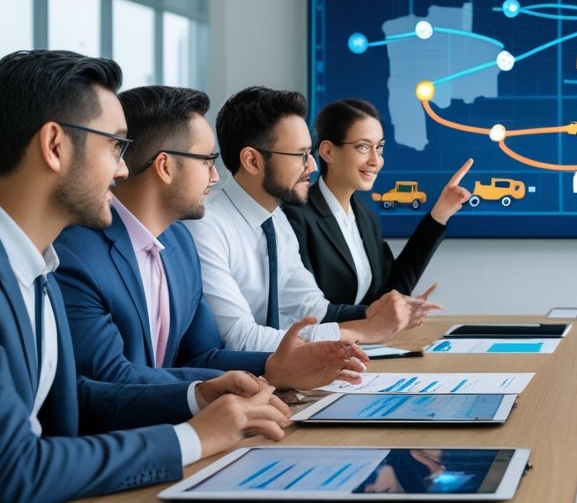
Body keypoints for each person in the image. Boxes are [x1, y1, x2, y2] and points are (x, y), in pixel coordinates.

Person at [0, 50, 289, 503]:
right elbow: (16, 473)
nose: (121, 170)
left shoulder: (36, 267)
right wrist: (190, 440)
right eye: (115, 146)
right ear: (54, 145)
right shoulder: (44, 265)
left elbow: (77, 398)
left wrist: (198, 397)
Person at [54, 85, 369, 389]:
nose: (216, 176)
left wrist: (274, 369)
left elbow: (202, 354)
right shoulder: (77, 255)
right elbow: (108, 380)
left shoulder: (178, 243)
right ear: (165, 166)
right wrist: (202, 395)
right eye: (207, 161)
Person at [184, 86, 440, 352]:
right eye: (300, 155)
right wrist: (361, 331)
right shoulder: (205, 226)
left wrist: (371, 314)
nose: (313, 166)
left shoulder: (276, 222)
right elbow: (240, 339)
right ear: (252, 160)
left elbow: (313, 309)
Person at [284, 97, 471, 306]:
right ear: (328, 151)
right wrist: (370, 321)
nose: (375, 160)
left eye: (379, 148)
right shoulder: (296, 217)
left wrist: (439, 215)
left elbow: (389, 292)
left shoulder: (366, 216)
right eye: (363, 147)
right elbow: (308, 310)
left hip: (364, 339)